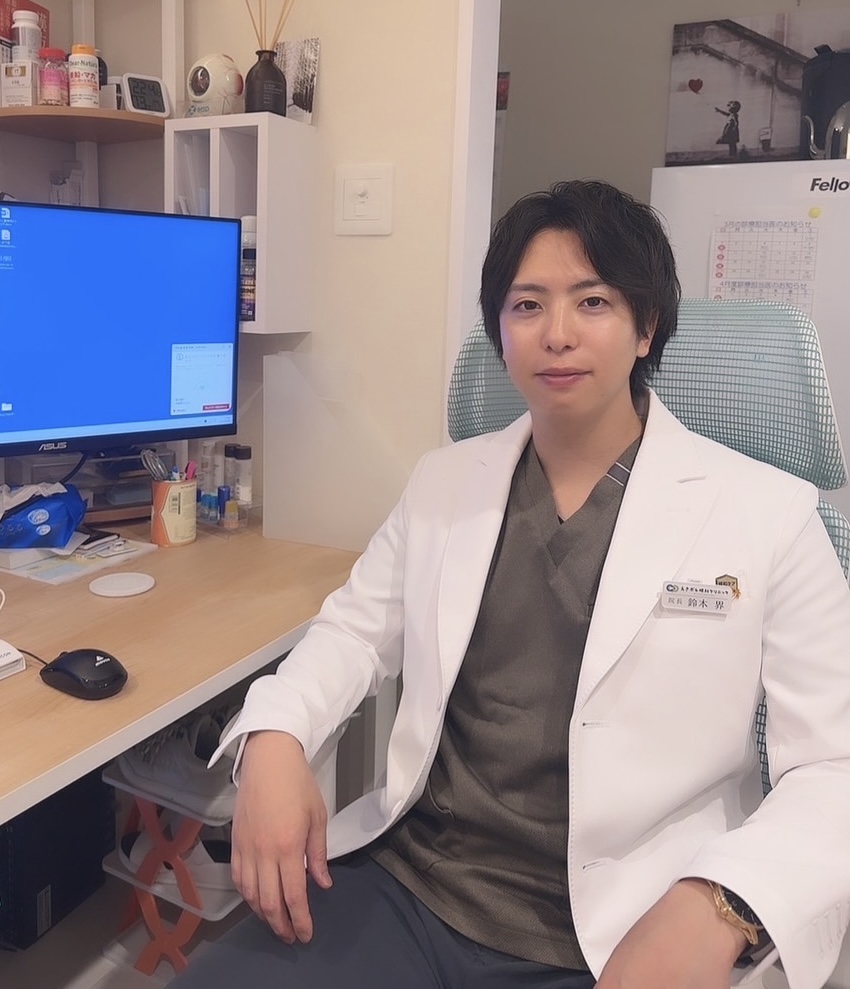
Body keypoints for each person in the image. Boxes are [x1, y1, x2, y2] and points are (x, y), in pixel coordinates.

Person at [168, 180, 850, 989]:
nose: (557, 333)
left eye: (592, 302)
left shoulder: (769, 514)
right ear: (500, 331)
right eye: (527, 305)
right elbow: (351, 635)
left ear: (646, 327)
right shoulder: (445, 481)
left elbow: (832, 766)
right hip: (414, 885)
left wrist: (720, 904)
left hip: (624, 927)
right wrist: (276, 738)